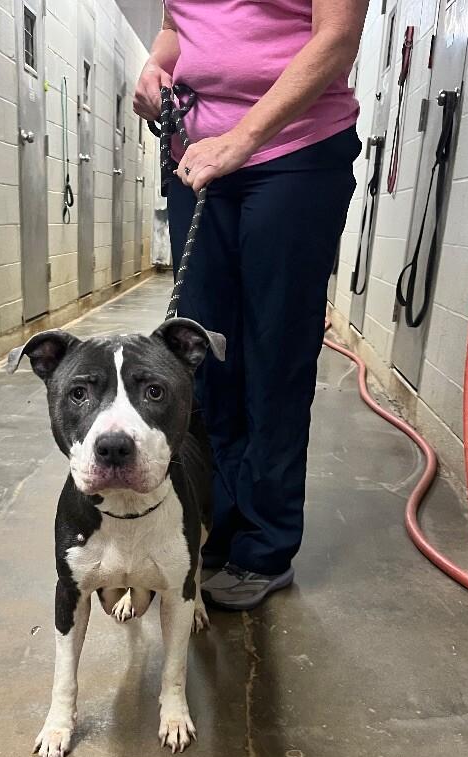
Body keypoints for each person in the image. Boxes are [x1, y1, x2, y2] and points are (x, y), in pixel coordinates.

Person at [133, 0, 367, 611]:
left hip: (295, 151)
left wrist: (243, 138)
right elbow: (173, 26)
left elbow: (337, 38)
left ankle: (264, 545)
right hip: (198, 152)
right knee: (203, 354)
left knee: (274, 352)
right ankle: (218, 522)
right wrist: (156, 66)